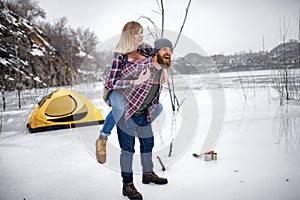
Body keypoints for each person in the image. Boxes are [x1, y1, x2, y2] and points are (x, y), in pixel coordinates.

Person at [96, 21, 167, 164]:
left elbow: (160, 57)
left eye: (141, 32)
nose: (140, 36)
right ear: (128, 35)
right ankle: (102, 138)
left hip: (134, 93)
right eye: (136, 33)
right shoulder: (120, 54)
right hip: (118, 90)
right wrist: (136, 81)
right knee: (120, 107)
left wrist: (163, 68)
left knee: (158, 108)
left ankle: (134, 129)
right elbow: (112, 82)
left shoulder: (145, 49)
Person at [115, 38, 173, 200]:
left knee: (148, 143)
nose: (168, 52)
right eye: (164, 49)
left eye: (170, 50)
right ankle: (127, 185)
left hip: (143, 114)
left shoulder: (161, 71)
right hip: (126, 115)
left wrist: (164, 69)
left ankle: (148, 174)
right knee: (128, 151)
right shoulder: (139, 66)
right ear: (156, 51)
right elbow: (115, 82)